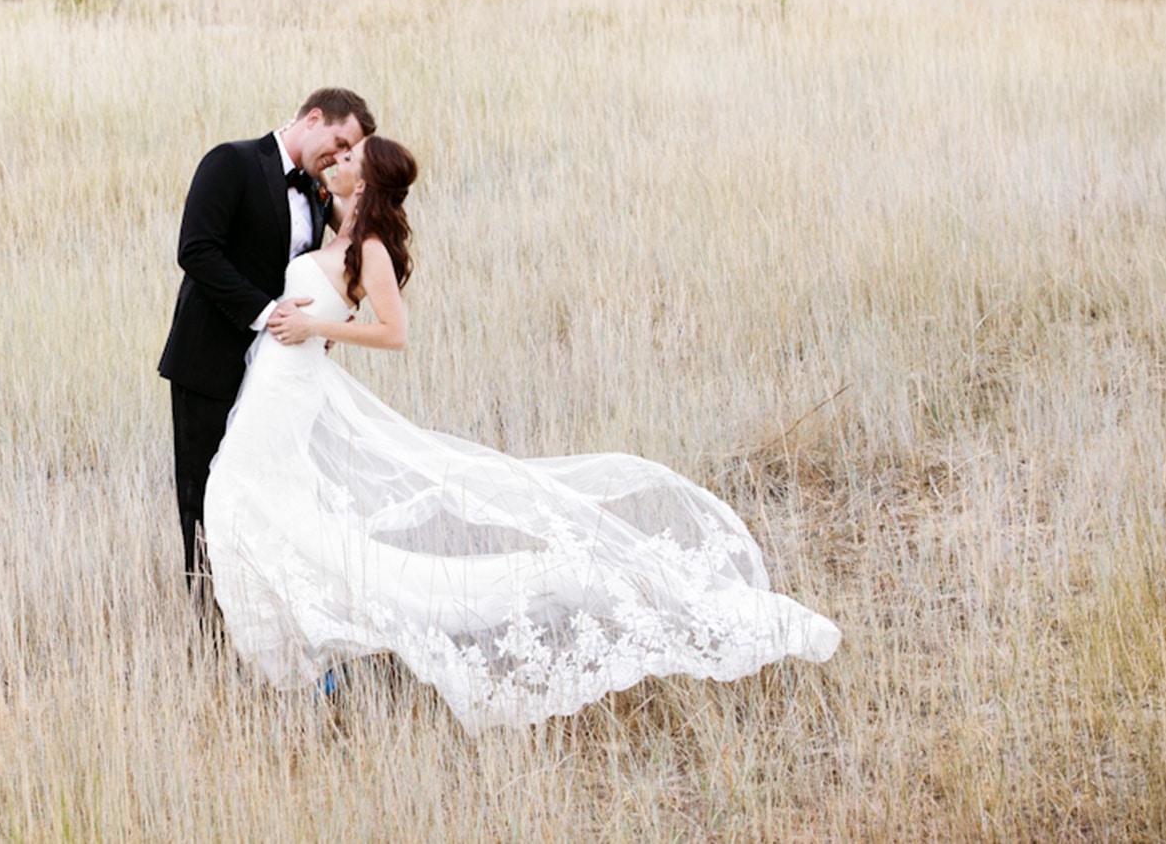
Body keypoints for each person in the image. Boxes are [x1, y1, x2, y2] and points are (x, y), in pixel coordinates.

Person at [203, 136, 841, 732]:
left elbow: (394, 333)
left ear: (365, 180)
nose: (338, 161)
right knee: (248, 501)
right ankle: (298, 656)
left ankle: (326, 650)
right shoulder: (337, 224)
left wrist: (318, 330)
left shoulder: (368, 247)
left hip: (291, 385)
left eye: (351, 158)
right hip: (276, 387)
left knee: (240, 494)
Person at [158, 89, 375, 628]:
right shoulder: (230, 162)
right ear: (314, 118)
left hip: (277, 375)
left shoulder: (321, 192)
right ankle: (214, 628)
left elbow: (336, 267)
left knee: (271, 495)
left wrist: (329, 322)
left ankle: (270, 619)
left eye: (351, 153)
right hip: (210, 362)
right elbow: (196, 249)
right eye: (339, 143)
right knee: (206, 498)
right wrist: (267, 313)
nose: (339, 156)